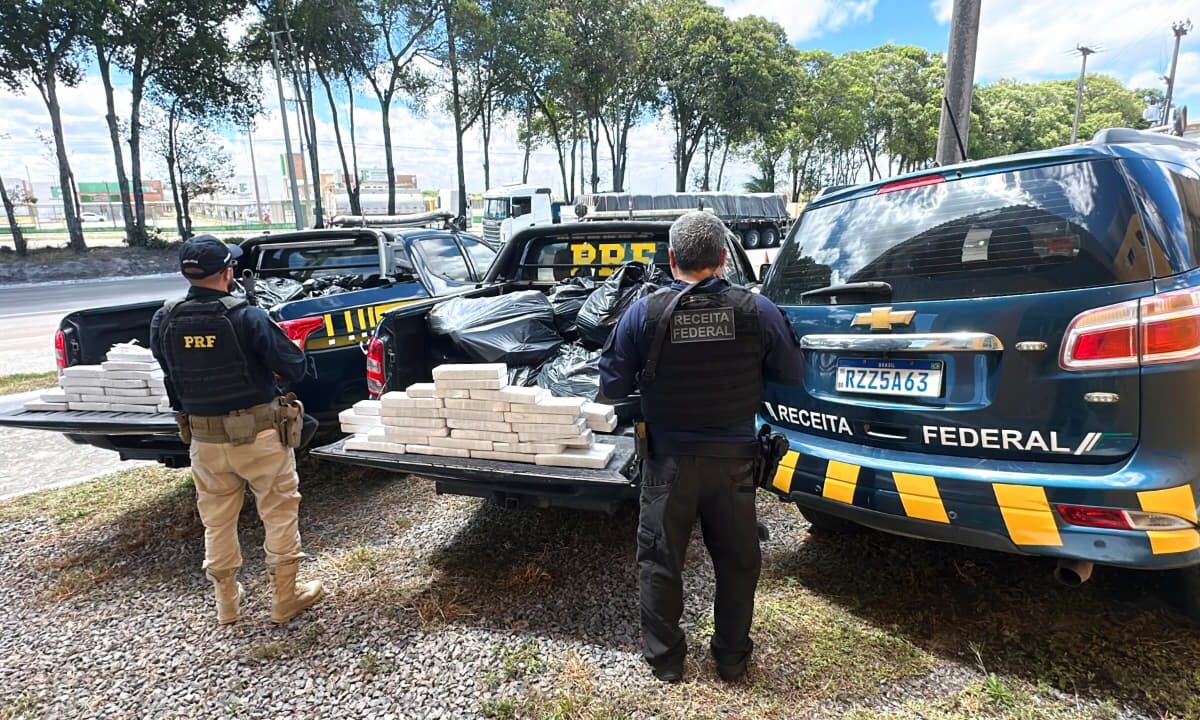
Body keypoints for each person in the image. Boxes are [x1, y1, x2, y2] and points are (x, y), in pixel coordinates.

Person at [598, 211, 804, 683]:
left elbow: (611, 387)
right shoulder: (758, 310)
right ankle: (731, 659)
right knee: (738, 563)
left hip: (667, 463)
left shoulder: (643, 312)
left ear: (671, 258)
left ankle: (666, 662)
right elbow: (793, 373)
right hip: (734, 465)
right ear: (724, 257)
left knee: (661, 561)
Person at [149, 235, 324, 625]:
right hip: (260, 436)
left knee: (216, 520)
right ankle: (285, 598)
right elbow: (294, 368)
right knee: (278, 511)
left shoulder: (165, 317)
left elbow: (168, 368)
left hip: (203, 438)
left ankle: (227, 604)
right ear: (228, 272)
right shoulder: (248, 316)